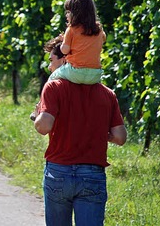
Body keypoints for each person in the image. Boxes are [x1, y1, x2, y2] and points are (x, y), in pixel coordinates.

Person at [33, 34, 127, 226]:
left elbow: (44, 127)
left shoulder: (54, 87)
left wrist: (36, 117)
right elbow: (120, 137)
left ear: (65, 59)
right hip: (92, 173)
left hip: (59, 171)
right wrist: (99, 132)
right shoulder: (107, 94)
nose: (50, 67)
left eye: (52, 61)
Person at [51, 0, 106, 85]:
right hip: (95, 74)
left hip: (75, 72)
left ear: (76, 13)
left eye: (68, 12)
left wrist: (65, 40)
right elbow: (102, 40)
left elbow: (64, 50)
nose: (66, 15)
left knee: (52, 77)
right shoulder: (99, 30)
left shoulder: (71, 29)